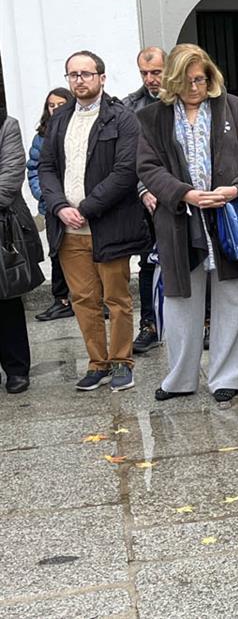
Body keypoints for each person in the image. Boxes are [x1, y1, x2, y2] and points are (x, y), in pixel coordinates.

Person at [136, 44, 238, 404]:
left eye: (201, 79)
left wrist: (236, 188)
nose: (196, 87)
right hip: (181, 219)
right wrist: (185, 194)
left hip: (229, 218)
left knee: (233, 297)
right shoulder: (153, 118)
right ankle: (180, 377)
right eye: (187, 81)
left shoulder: (232, 108)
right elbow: (148, 168)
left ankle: (228, 376)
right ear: (172, 81)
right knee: (181, 300)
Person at [39, 50, 149, 392]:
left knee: (116, 299)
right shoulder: (59, 120)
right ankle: (97, 363)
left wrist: (86, 207)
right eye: (73, 74)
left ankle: (121, 362)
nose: (79, 80)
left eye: (86, 74)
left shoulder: (122, 118)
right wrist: (58, 206)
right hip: (69, 228)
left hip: (108, 224)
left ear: (102, 77)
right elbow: (46, 168)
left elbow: (124, 172)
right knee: (83, 300)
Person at [123, 46, 168, 354]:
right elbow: (131, 157)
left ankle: (205, 321)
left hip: (185, 193)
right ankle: (149, 325)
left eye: (156, 72)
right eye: (144, 73)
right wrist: (144, 189)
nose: (150, 79)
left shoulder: (185, 98)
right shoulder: (131, 106)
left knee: (198, 258)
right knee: (148, 263)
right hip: (148, 198)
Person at [1, 110, 41, 394]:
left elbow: (11, 178)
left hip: (3, 228)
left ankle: (16, 369)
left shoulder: (6, 125)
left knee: (6, 298)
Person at [26, 88, 74, 322]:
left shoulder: (78, 128)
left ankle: (98, 298)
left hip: (79, 204)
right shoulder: (41, 136)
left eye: (60, 104)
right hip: (52, 205)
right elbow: (33, 170)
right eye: (51, 105)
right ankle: (61, 300)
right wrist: (42, 195)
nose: (55, 109)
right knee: (57, 252)